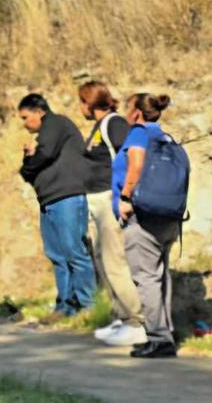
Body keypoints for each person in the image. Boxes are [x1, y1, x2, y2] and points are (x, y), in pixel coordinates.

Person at [77, 82, 146, 347]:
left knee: (115, 261)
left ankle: (138, 321)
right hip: (96, 200)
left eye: (82, 102)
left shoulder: (114, 123)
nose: (80, 107)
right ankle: (121, 316)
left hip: (110, 199)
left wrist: (125, 196)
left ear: (90, 102)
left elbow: (131, 157)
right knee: (103, 261)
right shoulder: (100, 125)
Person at [115, 93, 182, 359]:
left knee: (146, 278)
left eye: (127, 107)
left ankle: (158, 338)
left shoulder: (138, 135)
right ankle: (165, 333)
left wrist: (125, 198)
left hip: (143, 216)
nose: (125, 112)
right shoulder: (165, 137)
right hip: (168, 215)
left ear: (137, 113)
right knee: (160, 276)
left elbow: (137, 164)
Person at [18, 93, 97, 318]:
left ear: (39, 111)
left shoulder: (55, 124)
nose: (24, 124)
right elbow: (32, 169)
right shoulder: (45, 134)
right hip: (49, 200)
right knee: (57, 255)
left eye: (25, 117)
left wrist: (29, 162)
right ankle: (66, 306)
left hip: (66, 197)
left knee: (74, 251)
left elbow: (44, 156)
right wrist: (29, 161)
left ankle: (89, 307)